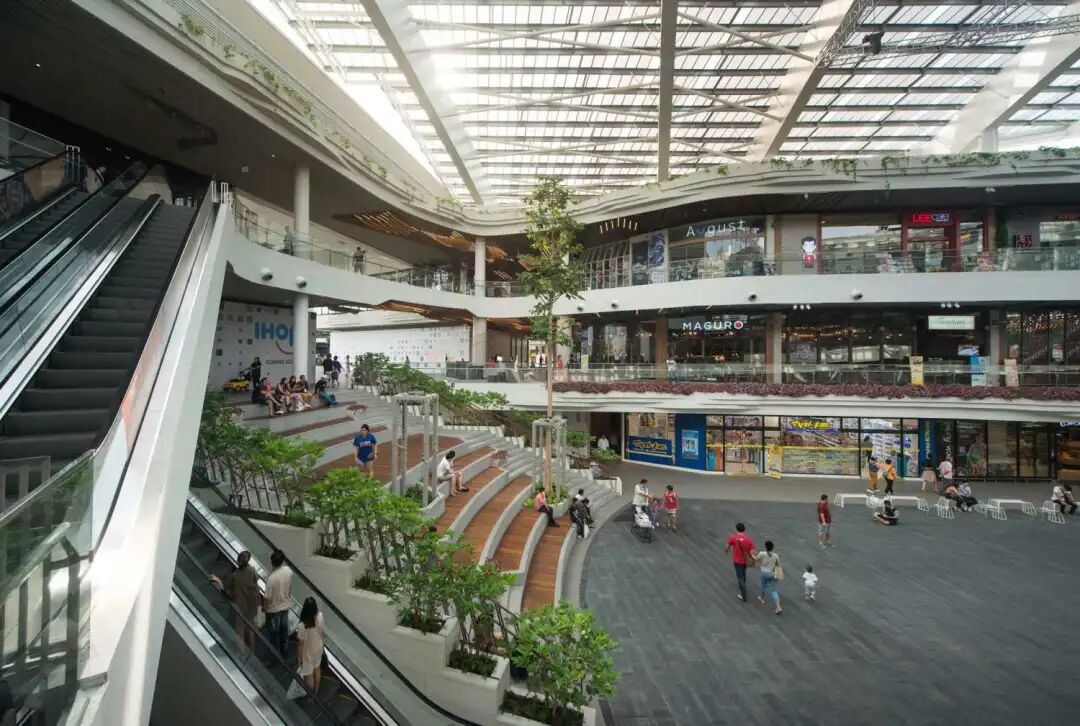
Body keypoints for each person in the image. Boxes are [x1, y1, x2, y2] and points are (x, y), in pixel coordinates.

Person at [209, 550, 260, 648]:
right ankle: (252, 645)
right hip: (253, 602)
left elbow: (225, 588)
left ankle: (241, 650)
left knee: (239, 627)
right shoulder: (252, 570)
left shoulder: (234, 576)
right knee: (251, 625)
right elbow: (255, 580)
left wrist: (218, 580)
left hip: (242, 606)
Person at [264, 549, 293, 657]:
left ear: (272, 562)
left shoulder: (272, 578)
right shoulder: (288, 571)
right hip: (285, 606)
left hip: (273, 610)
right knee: (284, 630)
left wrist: (265, 608)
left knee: (273, 633)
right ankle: (284, 652)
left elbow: (267, 598)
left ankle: (274, 655)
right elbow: (290, 586)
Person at [297, 597, 326, 696]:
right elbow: (322, 633)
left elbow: (300, 644)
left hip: (307, 653)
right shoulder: (320, 616)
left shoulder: (302, 626)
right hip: (318, 649)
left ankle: (310, 696)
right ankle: (316, 690)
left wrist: (299, 658)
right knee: (317, 668)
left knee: (309, 675)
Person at [724, 522, 756, 602]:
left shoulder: (733, 538)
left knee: (740, 577)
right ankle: (743, 585)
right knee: (744, 574)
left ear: (736, 529)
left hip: (737, 561)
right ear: (744, 529)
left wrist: (727, 550)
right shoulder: (748, 540)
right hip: (745, 561)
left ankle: (743, 594)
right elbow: (752, 551)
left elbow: (727, 546)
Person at [756, 540, 783, 615]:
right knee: (774, 590)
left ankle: (762, 598)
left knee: (763, 585)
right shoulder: (776, 556)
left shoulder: (762, 553)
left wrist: (751, 555)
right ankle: (778, 607)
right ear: (772, 547)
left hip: (764, 573)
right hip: (772, 574)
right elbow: (778, 565)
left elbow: (756, 559)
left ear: (765, 547)